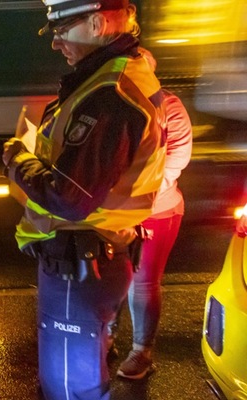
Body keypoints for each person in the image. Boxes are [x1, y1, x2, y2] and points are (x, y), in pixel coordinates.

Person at [1, 1, 166, 398]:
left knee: (69, 386)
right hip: (96, 254)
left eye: (62, 30)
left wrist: (17, 159)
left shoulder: (109, 93)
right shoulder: (119, 76)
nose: (56, 43)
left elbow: (70, 198)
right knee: (79, 377)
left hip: (81, 261)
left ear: (96, 23)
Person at [112, 47, 193, 380]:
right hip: (119, 211)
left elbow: (177, 159)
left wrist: (138, 195)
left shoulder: (170, 107)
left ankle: (141, 353)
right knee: (113, 276)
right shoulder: (117, 102)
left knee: (143, 283)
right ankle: (107, 337)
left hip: (157, 210)